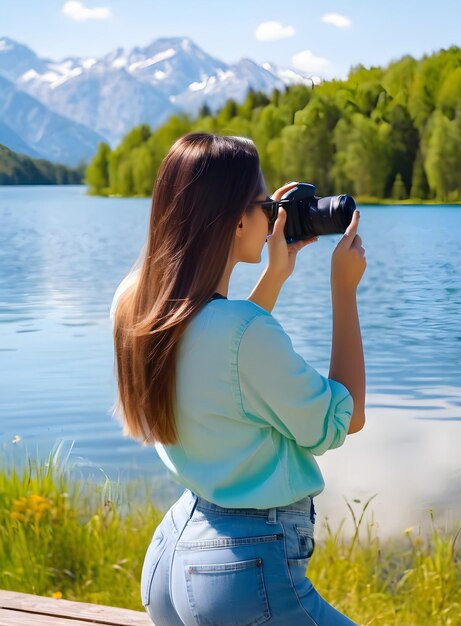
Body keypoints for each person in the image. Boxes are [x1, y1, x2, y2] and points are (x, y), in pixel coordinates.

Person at [110, 132, 366, 625]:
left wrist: (276, 275)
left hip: (175, 554)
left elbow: (219, 357)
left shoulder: (134, 302)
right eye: (263, 202)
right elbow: (343, 420)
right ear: (235, 219)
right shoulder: (242, 332)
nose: (273, 213)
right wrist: (343, 289)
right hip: (244, 570)